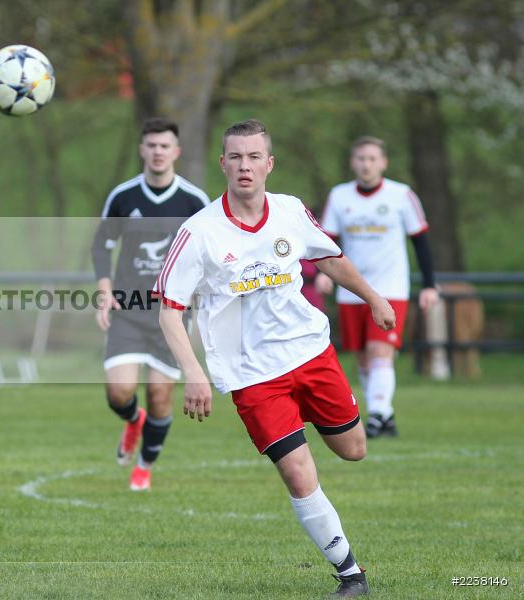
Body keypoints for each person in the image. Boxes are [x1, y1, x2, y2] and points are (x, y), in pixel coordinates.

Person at [155, 120, 394, 597]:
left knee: (353, 449)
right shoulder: (198, 232)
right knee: (298, 471)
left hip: (309, 352)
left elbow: (329, 258)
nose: (245, 166)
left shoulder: (289, 212)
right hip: (251, 375)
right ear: (223, 163)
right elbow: (169, 308)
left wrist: (373, 298)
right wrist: (194, 372)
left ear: (269, 164)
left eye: (253, 156)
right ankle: (351, 575)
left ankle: (311, 415)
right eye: (235, 157)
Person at [91, 117, 209, 491]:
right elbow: (102, 244)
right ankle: (132, 420)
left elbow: (207, 256)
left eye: (165, 146)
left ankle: (144, 464)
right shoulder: (123, 196)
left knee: (160, 396)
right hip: (127, 309)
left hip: (170, 314)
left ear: (176, 151)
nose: (158, 152)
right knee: (119, 392)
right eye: (152, 146)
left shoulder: (194, 201)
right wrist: (105, 289)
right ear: (143, 150)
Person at [316, 136, 439, 437]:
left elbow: (420, 240)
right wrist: (324, 274)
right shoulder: (340, 196)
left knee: (379, 351)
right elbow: (325, 240)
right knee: (362, 357)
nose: (366, 164)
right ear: (352, 162)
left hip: (391, 287)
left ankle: (377, 415)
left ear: (383, 162)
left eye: (372, 158)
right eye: (360, 158)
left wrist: (429, 284)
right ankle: (384, 417)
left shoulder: (401, 195)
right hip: (352, 289)